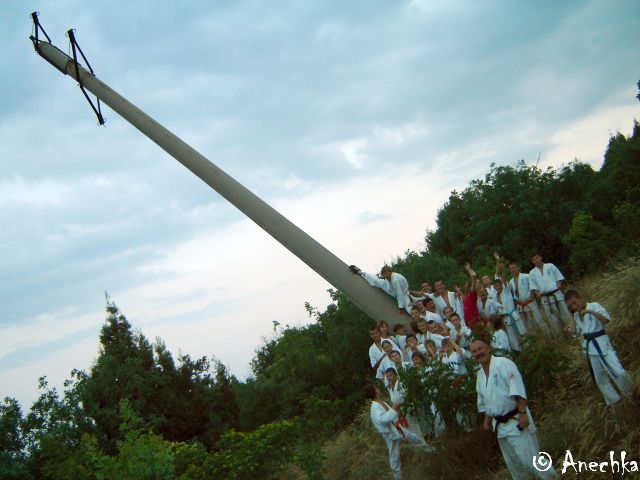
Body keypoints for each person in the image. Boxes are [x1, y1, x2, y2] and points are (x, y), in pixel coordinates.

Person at [470, 340, 555, 479]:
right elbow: (486, 403)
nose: (478, 353)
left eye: (480, 349)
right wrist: (487, 422)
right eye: (474, 351)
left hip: (516, 420)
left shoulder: (503, 364)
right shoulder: (479, 376)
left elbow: (518, 389)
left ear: (488, 348)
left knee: (532, 462)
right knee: (516, 468)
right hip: (500, 428)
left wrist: (522, 413)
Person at [565, 290, 634, 405]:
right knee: (599, 377)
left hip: (602, 342)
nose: (574, 306)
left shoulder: (594, 306)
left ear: (580, 298)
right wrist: (571, 316)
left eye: (574, 302)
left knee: (617, 370)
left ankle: (631, 392)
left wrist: (589, 311)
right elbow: (573, 332)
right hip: (590, 347)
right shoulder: (576, 316)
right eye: (570, 306)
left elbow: (606, 320)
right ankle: (614, 401)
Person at [366, 384, 435, 480]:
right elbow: (382, 419)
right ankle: (398, 478)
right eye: (376, 388)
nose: (378, 389)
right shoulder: (374, 407)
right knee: (394, 458)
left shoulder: (381, 402)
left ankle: (431, 451)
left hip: (397, 428)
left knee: (414, 438)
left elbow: (391, 414)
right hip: (389, 434)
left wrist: (396, 412)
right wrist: (394, 409)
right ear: (374, 391)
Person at [528, 252, 570, 334]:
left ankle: (573, 331)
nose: (536, 260)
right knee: (552, 318)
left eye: (537, 258)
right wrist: (537, 293)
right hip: (545, 297)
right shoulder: (532, 273)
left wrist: (559, 283)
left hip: (556, 294)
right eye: (533, 260)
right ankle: (560, 336)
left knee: (565, 313)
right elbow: (534, 287)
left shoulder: (550, 266)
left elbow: (559, 277)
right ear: (532, 262)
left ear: (540, 257)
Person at [507, 260, 546, 333]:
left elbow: (533, 287)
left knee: (539, 320)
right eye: (511, 268)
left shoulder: (526, 276)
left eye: (514, 268)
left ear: (518, 268)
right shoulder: (510, 282)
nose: (513, 270)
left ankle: (548, 335)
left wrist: (532, 295)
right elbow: (513, 294)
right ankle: (534, 338)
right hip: (520, 305)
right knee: (527, 324)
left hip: (530, 302)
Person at [385, 367, 422, 437]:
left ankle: (422, 446)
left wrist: (402, 408)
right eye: (387, 376)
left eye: (390, 375)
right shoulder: (390, 388)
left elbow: (408, 397)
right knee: (408, 433)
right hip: (400, 413)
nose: (389, 378)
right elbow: (394, 402)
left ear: (395, 375)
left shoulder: (401, 383)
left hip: (408, 409)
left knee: (416, 430)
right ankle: (415, 447)